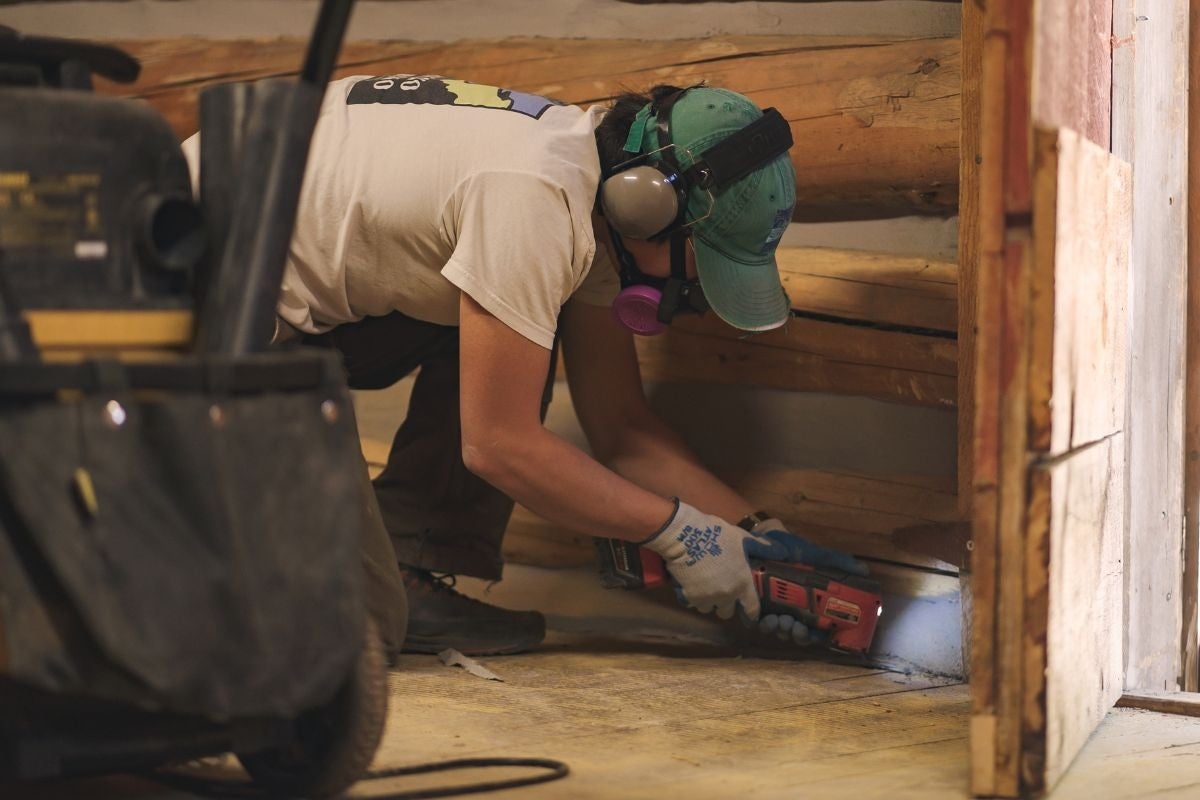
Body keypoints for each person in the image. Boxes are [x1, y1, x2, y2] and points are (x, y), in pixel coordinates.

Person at [183, 74, 867, 658]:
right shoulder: (536, 198)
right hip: (182, 316)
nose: (693, 289)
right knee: (356, 631)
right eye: (700, 260)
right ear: (649, 202)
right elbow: (498, 445)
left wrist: (758, 539)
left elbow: (623, 428)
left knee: (514, 333)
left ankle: (408, 560)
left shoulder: (594, 189)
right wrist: (680, 535)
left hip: (272, 288)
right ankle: (360, 583)